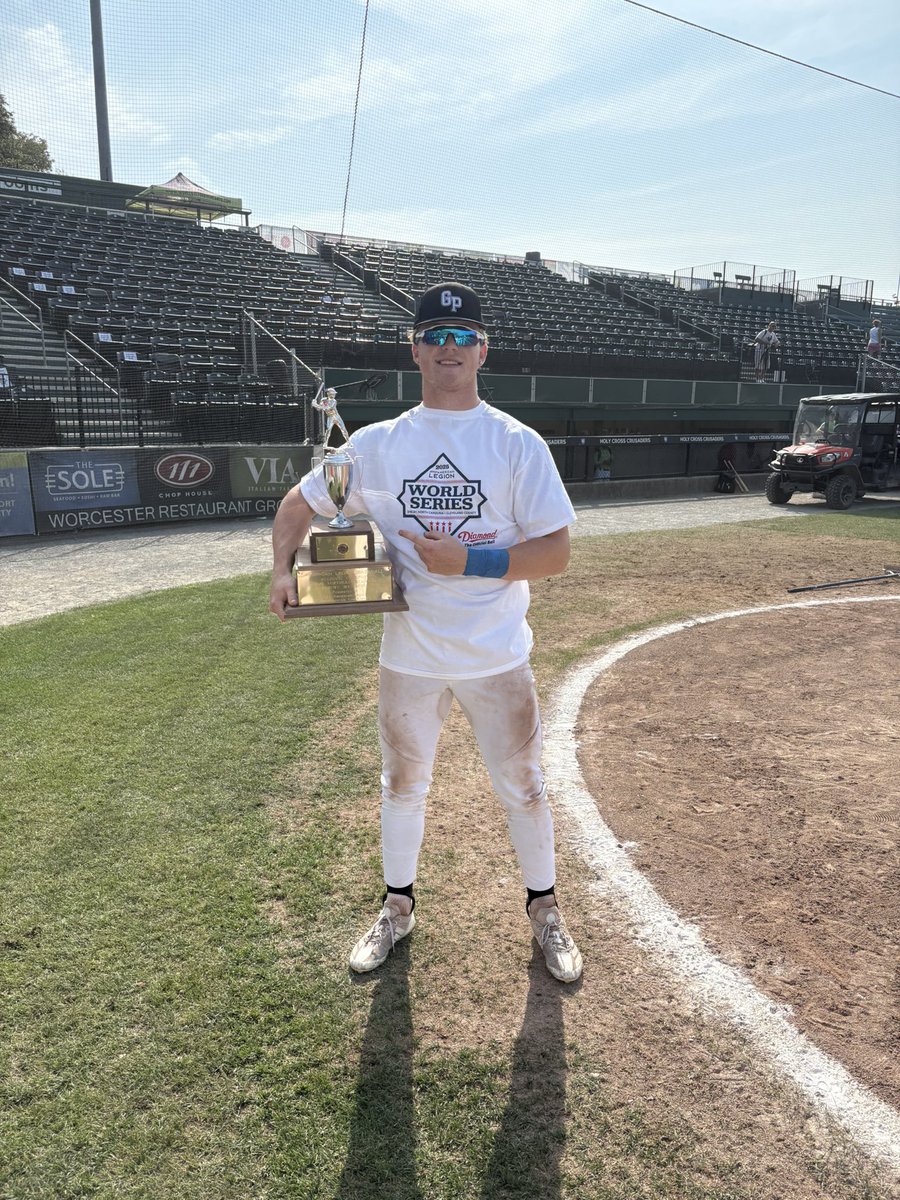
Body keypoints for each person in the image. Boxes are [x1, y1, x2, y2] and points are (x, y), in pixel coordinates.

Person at [269, 282, 583, 984]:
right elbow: (300, 501)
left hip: (496, 656)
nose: (450, 348)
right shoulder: (377, 445)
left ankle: (545, 911)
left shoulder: (515, 443)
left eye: (464, 335)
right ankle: (398, 909)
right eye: (436, 336)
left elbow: (555, 552)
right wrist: (282, 570)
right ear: (414, 348)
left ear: (483, 350)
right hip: (409, 657)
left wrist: (470, 559)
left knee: (524, 786)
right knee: (402, 784)